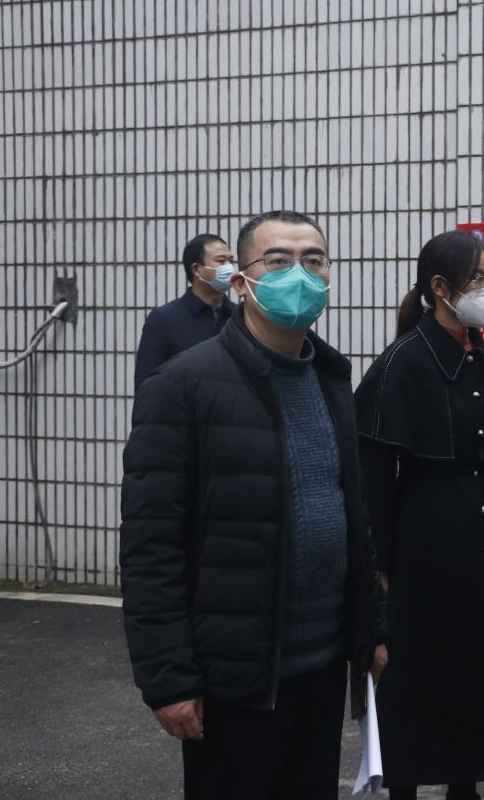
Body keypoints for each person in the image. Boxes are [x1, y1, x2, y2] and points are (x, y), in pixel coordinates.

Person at [119, 210, 388, 800]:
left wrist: (370, 629)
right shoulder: (182, 385)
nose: (301, 274)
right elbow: (150, 545)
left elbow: (353, 512)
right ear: (241, 283)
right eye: (280, 261)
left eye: (314, 261)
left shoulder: (331, 378)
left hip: (322, 667)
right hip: (234, 679)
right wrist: (169, 679)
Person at [353, 231, 484, 799]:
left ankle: (467, 783)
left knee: (476, 664)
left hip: (481, 530)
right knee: (419, 672)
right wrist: (381, 569)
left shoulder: (474, 348)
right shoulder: (402, 363)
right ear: (440, 287)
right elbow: (374, 485)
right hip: (427, 540)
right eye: (477, 278)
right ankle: (404, 785)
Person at [134, 233, 237, 387]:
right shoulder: (163, 320)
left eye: (231, 261)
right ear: (197, 269)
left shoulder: (240, 316)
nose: (229, 268)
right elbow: (146, 384)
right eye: (221, 261)